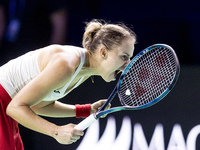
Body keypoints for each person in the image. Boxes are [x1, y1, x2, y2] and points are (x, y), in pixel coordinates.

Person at [0, 19, 137, 150]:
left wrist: (86, 110)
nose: (127, 65)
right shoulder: (66, 64)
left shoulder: (82, 71)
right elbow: (15, 108)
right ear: (103, 52)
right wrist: (56, 131)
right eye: (124, 57)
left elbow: (37, 105)